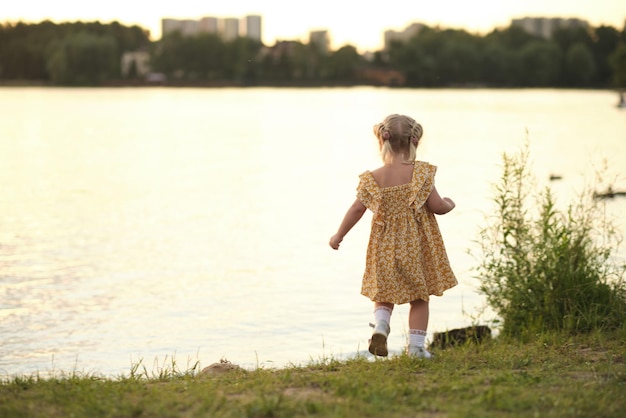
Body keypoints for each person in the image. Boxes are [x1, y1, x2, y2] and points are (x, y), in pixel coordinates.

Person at [329, 114, 457, 359]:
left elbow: (357, 209)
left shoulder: (373, 178)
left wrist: (339, 235)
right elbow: (437, 206)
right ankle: (416, 348)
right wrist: (450, 204)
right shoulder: (421, 173)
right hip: (416, 247)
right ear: (414, 141)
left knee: (383, 293)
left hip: (383, 246)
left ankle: (381, 325)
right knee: (419, 297)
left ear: (382, 141)